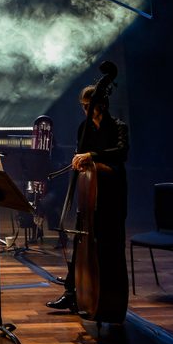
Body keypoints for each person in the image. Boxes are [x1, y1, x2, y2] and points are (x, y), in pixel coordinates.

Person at [44, 83, 130, 324]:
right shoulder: (84, 128)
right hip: (89, 200)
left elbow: (122, 152)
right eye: (82, 106)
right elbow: (81, 156)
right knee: (81, 246)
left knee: (110, 250)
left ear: (100, 104)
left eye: (87, 106)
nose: (85, 110)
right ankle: (72, 294)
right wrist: (79, 161)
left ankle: (110, 300)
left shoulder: (118, 126)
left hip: (112, 197)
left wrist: (92, 156)